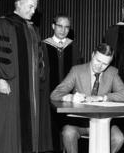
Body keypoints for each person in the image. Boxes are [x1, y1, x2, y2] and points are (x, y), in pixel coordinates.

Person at [0, 0, 44, 153]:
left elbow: (39, 61)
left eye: (35, 7)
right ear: (18, 4)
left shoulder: (32, 29)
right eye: (30, 6)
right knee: (7, 131)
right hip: (9, 87)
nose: (33, 11)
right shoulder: (3, 24)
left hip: (29, 91)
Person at [50, 43, 124, 153]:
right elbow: (55, 94)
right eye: (98, 61)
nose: (99, 66)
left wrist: (102, 97)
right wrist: (71, 97)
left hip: (104, 122)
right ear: (92, 55)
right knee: (68, 133)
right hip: (79, 123)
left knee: (119, 138)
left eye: (104, 64)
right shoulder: (76, 71)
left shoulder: (112, 72)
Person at [40, 14, 83, 151]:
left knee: (68, 124)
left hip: (69, 93)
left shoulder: (73, 46)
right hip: (48, 90)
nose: (63, 30)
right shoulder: (43, 45)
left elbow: (78, 72)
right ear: (53, 26)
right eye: (60, 26)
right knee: (49, 122)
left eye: (66, 27)